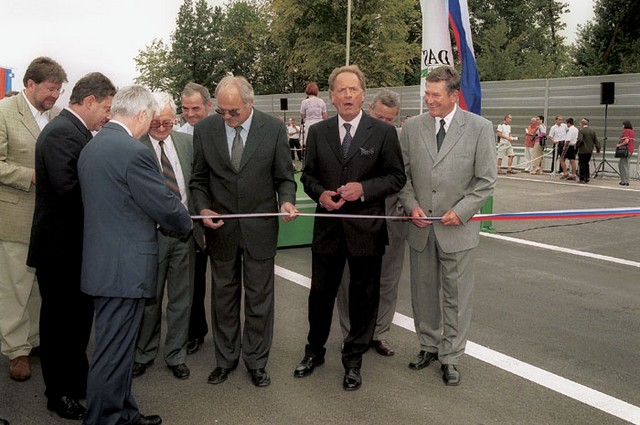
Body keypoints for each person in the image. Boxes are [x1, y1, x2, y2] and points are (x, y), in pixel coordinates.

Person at [78, 85, 192, 425]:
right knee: (112, 354)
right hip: (123, 269)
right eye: (151, 119)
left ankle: (124, 413)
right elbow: (163, 203)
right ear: (142, 115)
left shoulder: (94, 145)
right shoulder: (132, 151)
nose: (150, 127)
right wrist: (185, 219)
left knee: (119, 350)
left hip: (104, 265)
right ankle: (103, 419)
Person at [294, 65, 406, 391]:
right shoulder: (318, 133)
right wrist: (320, 194)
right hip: (328, 229)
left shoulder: (383, 133)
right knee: (320, 297)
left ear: (363, 94)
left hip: (366, 230)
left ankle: (354, 359)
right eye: (341, 90)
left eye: (353, 89)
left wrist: (365, 189)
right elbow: (308, 175)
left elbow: (396, 176)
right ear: (331, 96)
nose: (347, 95)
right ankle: (314, 351)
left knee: (363, 298)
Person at [190, 75, 297, 388]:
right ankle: (225, 360)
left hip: (259, 231)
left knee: (259, 301)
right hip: (221, 231)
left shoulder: (274, 129)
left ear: (249, 104)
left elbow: (285, 178)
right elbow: (198, 180)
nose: (226, 118)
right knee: (223, 299)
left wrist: (287, 202)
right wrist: (203, 208)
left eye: (233, 112)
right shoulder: (205, 130)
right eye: (221, 112)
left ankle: (256, 361)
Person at [398, 66, 496, 386]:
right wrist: (411, 206)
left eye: (435, 95)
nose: (429, 100)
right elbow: (403, 176)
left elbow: (485, 182)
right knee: (423, 293)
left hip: (458, 229)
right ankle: (427, 345)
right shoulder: (412, 127)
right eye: (426, 93)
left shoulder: (480, 128)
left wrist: (462, 210)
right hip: (421, 228)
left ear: (454, 95)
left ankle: (451, 356)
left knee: (456, 296)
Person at [27, 72, 115, 420]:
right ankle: (58, 393)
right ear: (89, 101)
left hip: (73, 249)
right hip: (59, 251)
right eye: (106, 107)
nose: (108, 115)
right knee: (59, 326)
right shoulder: (63, 133)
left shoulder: (74, 131)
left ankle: (77, 383)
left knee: (77, 323)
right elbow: (69, 190)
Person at [0, 56, 67, 382]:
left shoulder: (56, 117)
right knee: (15, 284)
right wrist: (32, 175)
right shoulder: (4, 113)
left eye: (58, 90)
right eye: (50, 89)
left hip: (49, 218)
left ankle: (36, 340)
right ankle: (16, 351)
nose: (55, 95)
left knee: (41, 284)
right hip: (15, 213)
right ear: (30, 84)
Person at [336, 88, 407, 357]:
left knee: (387, 281)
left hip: (392, 218)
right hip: (358, 219)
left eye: (391, 119)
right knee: (349, 281)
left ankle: (379, 333)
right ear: (370, 110)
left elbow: (404, 178)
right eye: (380, 117)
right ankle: (351, 334)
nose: (384, 124)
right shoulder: (355, 134)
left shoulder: (400, 139)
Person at [133, 92, 196, 380]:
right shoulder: (136, 146)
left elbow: (196, 184)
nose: (161, 127)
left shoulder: (187, 143)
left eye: (167, 122)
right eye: (156, 121)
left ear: (175, 121)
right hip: (150, 236)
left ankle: (176, 355)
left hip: (184, 235)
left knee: (181, 300)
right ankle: (144, 353)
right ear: (146, 119)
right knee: (150, 300)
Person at [176, 82, 213, 356]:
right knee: (193, 280)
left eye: (196, 108)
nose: (190, 113)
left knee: (227, 284)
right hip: (192, 220)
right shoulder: (177, 136)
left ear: (209, 107)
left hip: (223, 217)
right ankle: (194, 331)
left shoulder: (220, 131)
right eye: (186, 108)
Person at [575, 118, 600, 183]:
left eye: (580, 123)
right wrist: (598, 149)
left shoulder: (581, 131)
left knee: (582, 164)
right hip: (589, 150)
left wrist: (576, 146)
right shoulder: (592, 131)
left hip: (582, 150)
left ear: (582, 124)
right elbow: (596, 141)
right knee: (586, 164)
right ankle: (587, 177)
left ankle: (582, 178)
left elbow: (580, 140)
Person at [616, 120, 635, 186]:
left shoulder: (626, 131)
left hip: (626, 150)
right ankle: (625, 180)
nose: (622, 126)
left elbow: (626, 141)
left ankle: (624, 181)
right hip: (631, 150)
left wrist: (619, 145)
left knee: (622, 166)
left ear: (625, 125)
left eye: (623, 125)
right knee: (625, 165)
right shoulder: (632, 131)